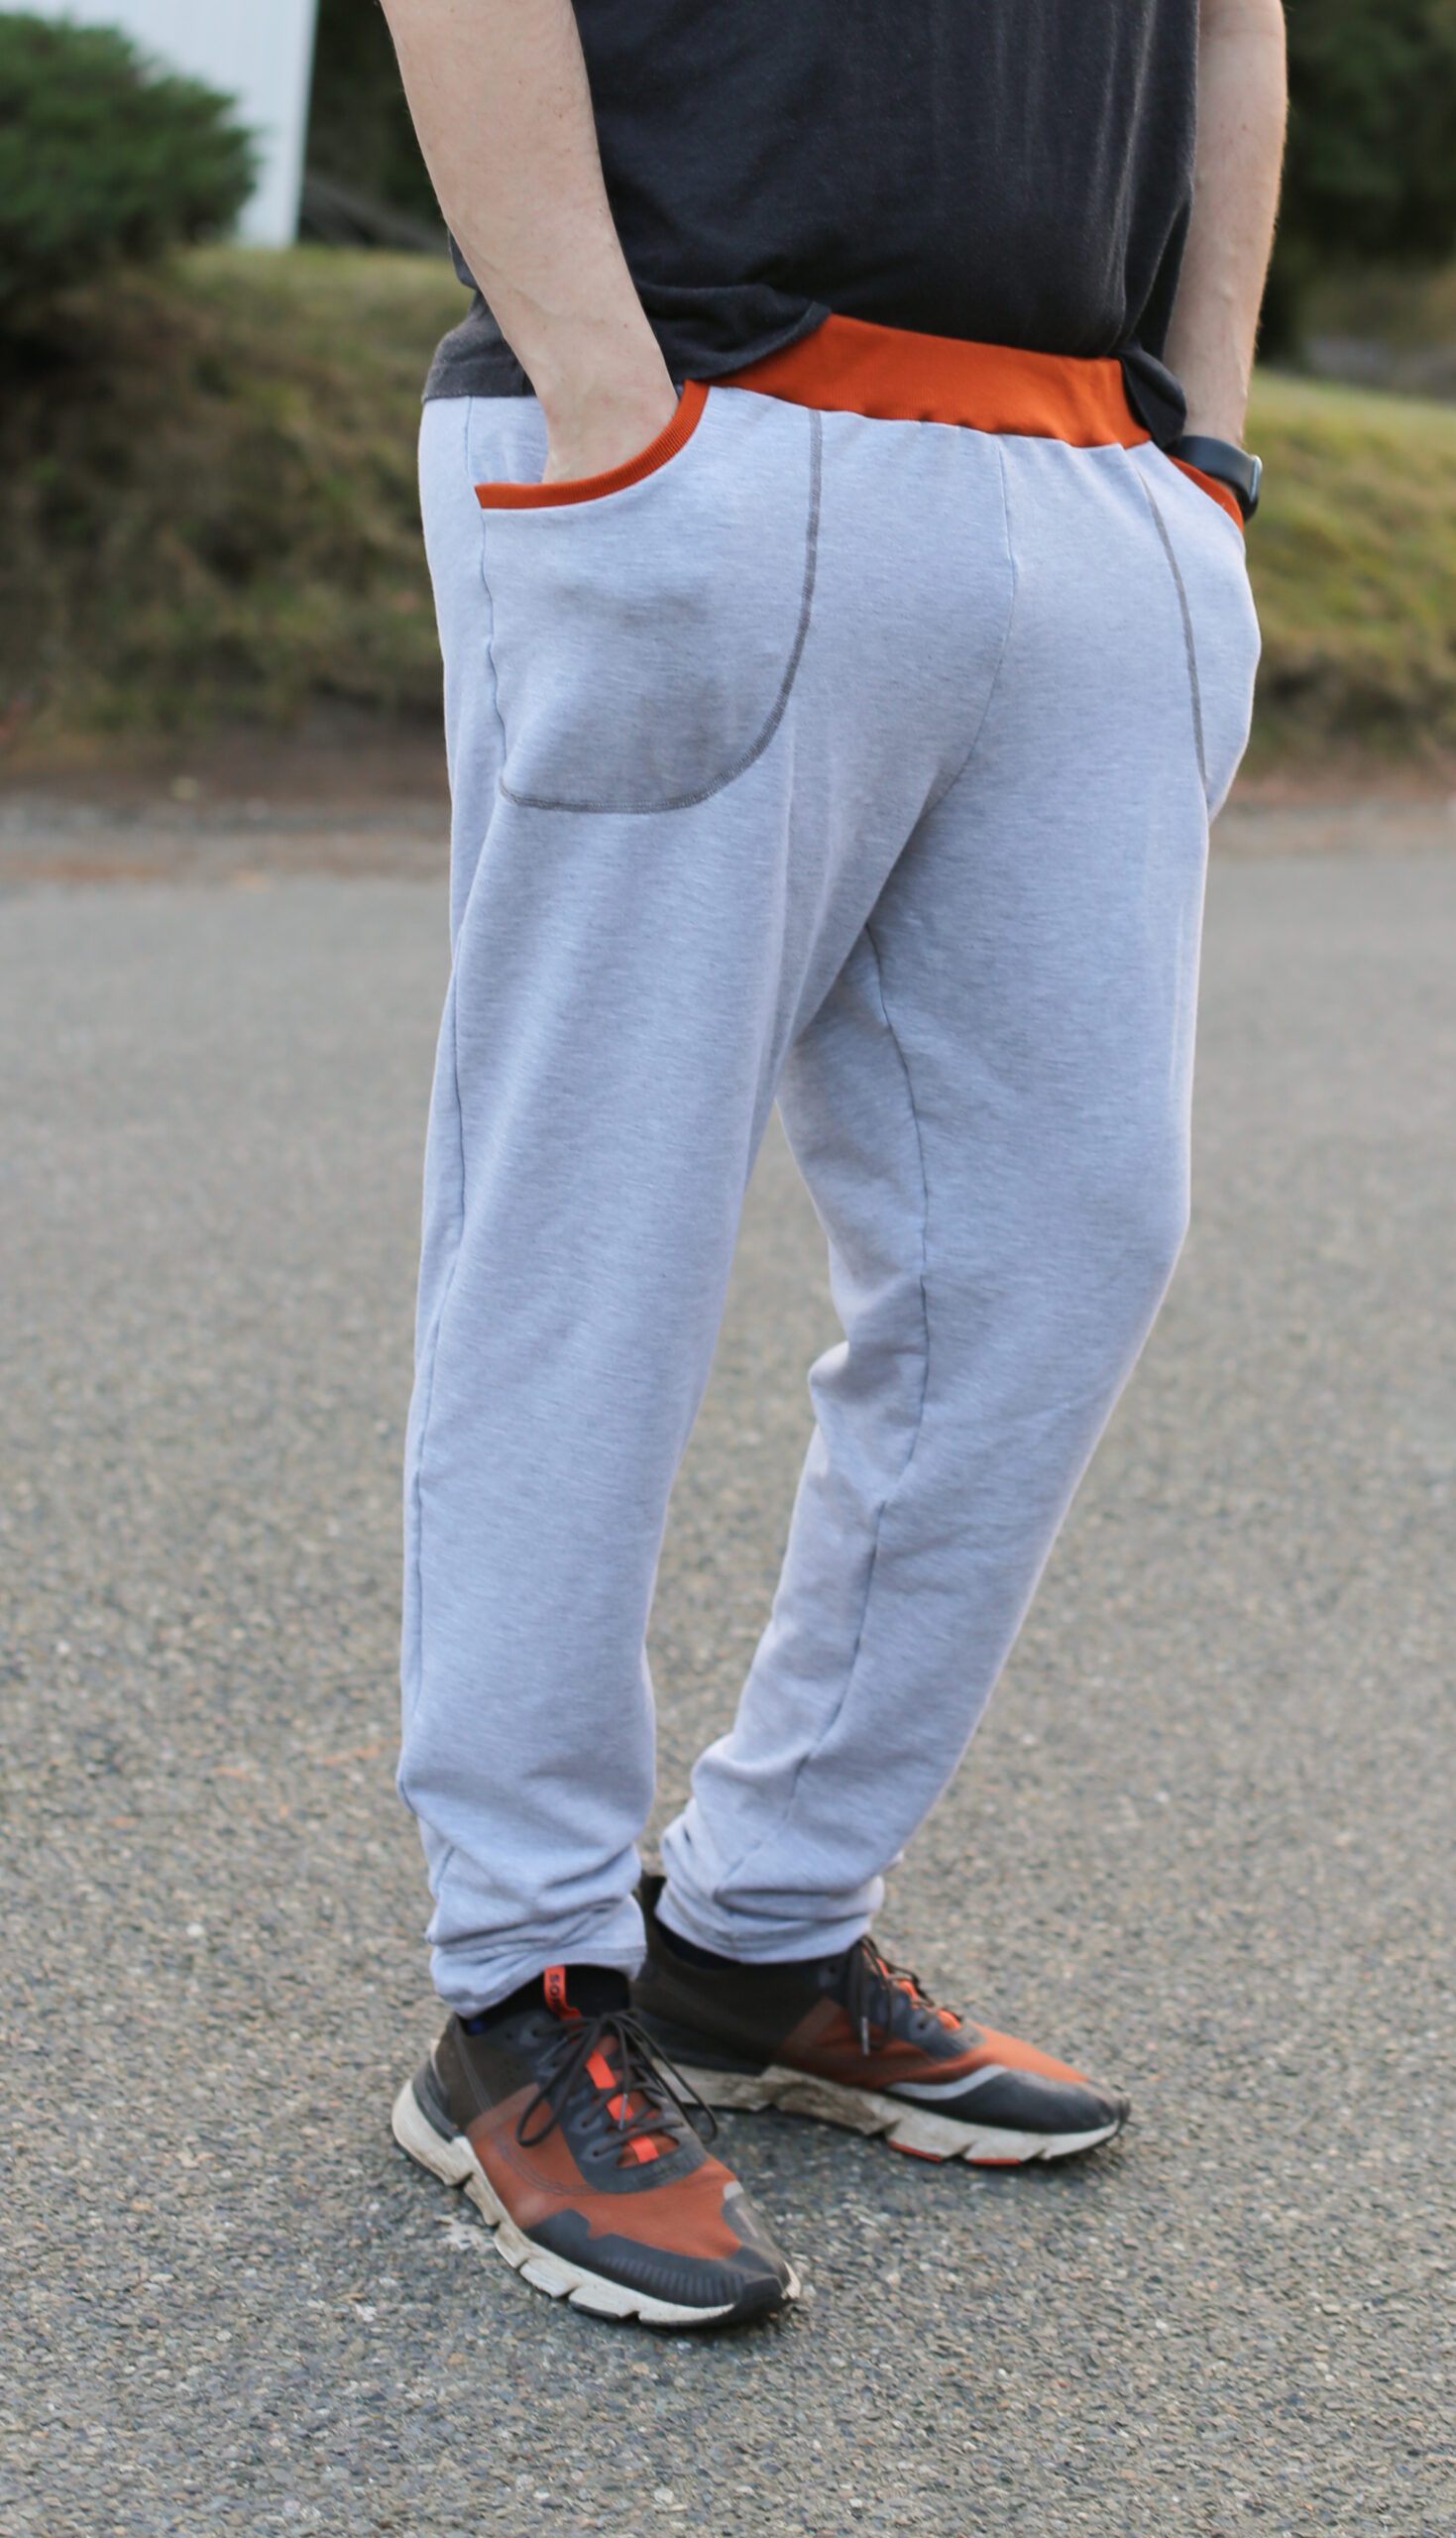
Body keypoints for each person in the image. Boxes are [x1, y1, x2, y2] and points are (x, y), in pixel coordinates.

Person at [378, 0, 1287, 2328]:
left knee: (1067, 1235)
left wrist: (1203, 444)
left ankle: (762, 1926)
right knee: (593, 1226)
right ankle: (523, 1986)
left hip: (1085, 456)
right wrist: (607, 395)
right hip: (697, 402)